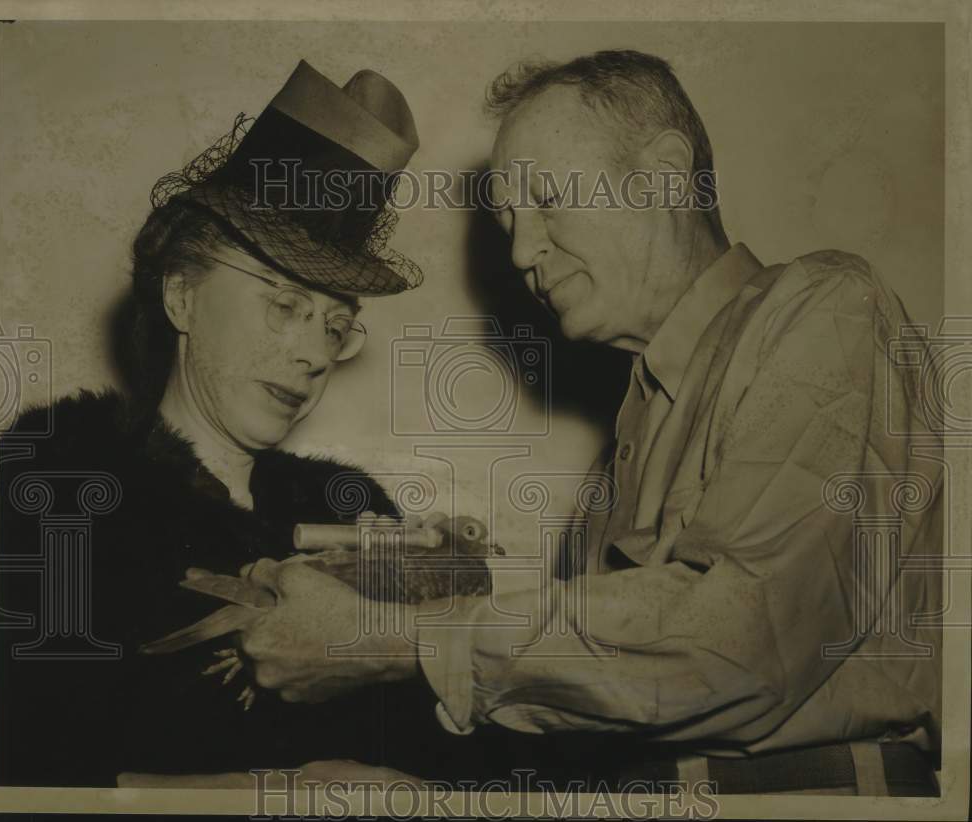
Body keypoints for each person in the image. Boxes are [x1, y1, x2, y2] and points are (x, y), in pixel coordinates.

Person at [233, 50, 943, 795]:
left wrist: (389, 639)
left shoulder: (825, 307)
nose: (521, 251)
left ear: (668, 173)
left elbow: (738, 644)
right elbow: (610, 691)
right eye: (508, 220)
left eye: (545, 200)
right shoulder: (623, 454)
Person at [0, 59, 499, 787]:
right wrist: (281, 795)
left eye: (335, 324)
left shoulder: (355, 514)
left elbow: (456, 767)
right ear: (183, 299)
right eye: (284, 304)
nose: (312, 354)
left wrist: (451, 625)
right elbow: (22, 775)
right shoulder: (57, 492)